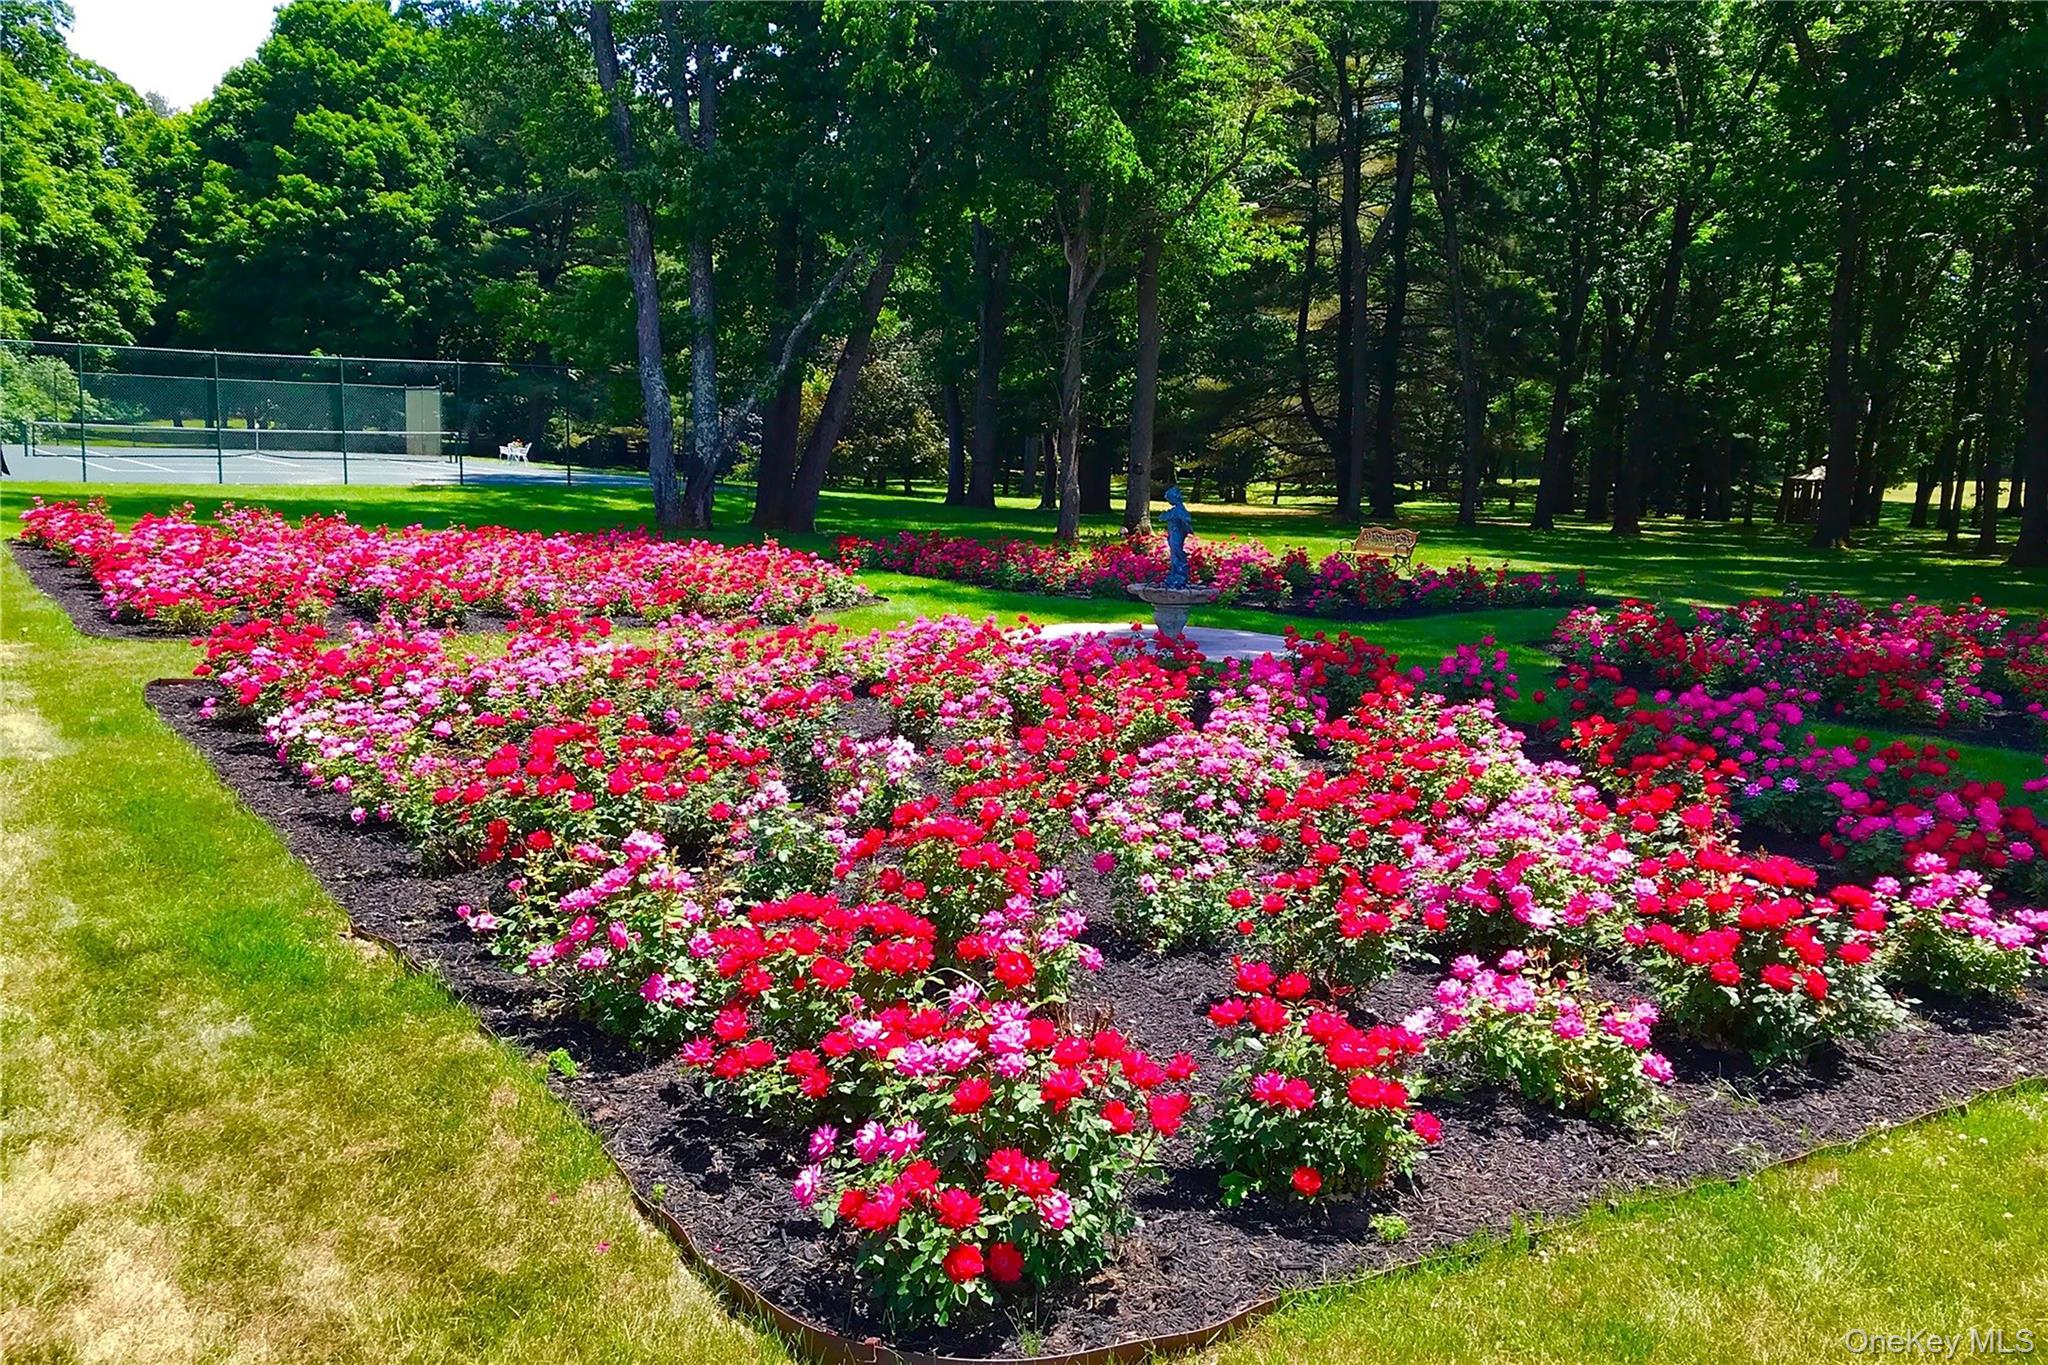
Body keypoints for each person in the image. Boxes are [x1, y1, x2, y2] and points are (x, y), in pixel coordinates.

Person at [1161, 486, 1192, 588]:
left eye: (1170, 499)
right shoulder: (1174, 510)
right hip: (1173, 534)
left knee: (1177, 551)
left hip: (1177, 534)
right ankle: (1175, 573)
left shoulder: (1179, 510)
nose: (1169, 502)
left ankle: (1180, 572)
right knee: (1174, 553)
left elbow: (1186, 522)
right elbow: (1162, 517)